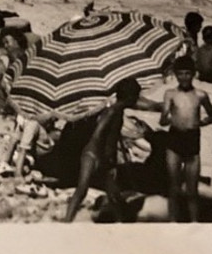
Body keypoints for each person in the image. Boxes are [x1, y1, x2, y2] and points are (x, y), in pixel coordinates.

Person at [61, 78, 156, 222]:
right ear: (130, 97)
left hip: (105, 158)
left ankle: (120, 222)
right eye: (136, 96)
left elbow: (114, 137)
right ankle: (67, 221)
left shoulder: (117, 111)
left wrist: (120, 156)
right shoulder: (112, 111)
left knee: (113, 194)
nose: (137, 99)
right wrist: (98, 156)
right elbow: (98, 132)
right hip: (94, 154)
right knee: (82, 190)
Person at [160, 56, 212, 222]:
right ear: (175, 75)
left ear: (193, 74)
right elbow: (163, 121)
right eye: (180, 74)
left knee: (192, 190)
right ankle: (172, 222)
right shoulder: (169, 94)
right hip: (174, 139)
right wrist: (166, 116)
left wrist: (199, 123)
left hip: (192, 140)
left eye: (187, 73)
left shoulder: (200, 95)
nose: (184, 77)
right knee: (173, 187)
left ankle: (194, 223)